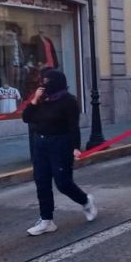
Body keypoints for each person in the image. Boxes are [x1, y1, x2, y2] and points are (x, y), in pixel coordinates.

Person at [22, 70, 97, 236]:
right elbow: (26, 118)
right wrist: (34, 100)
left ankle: (85, 201)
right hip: (40, 144)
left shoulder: (69, 101)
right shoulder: (41, 100)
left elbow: (73, 126)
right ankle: (46, 220)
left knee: (63, 182)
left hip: (60, 144)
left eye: (48, 81)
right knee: (41, 182)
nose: (44, 85)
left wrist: (76, 147)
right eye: (43, 81)